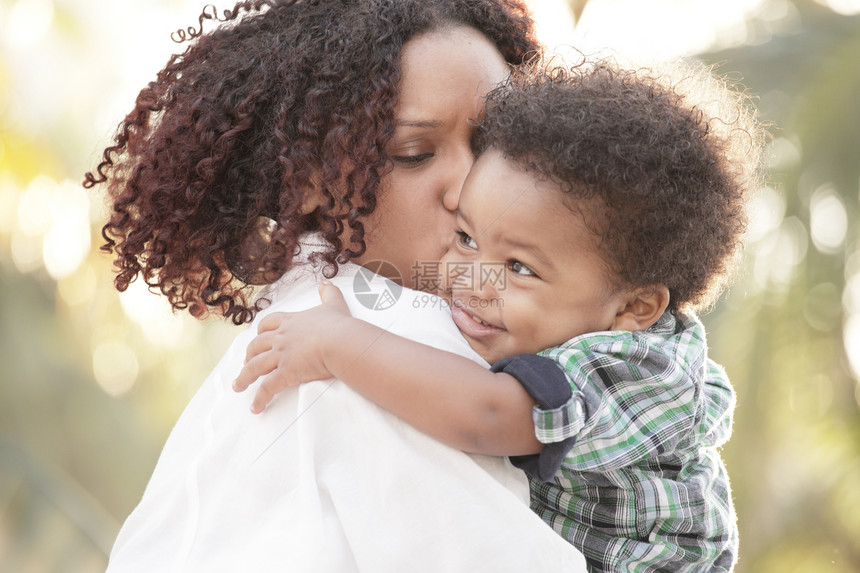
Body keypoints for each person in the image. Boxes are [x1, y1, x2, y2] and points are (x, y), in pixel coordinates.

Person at [85, 1, 588, 571]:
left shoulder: (314, 319)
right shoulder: (384, 349)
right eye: (415, 154)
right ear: (306, 182)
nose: (474, 184)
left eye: (499, 140)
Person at [234, 57, 765, 571]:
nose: (471, 280)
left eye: (520, 267)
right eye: (465, 239)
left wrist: (340, 345)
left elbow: (488, 415)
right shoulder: (554, 320)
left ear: (634, 306)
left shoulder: (632, 370)